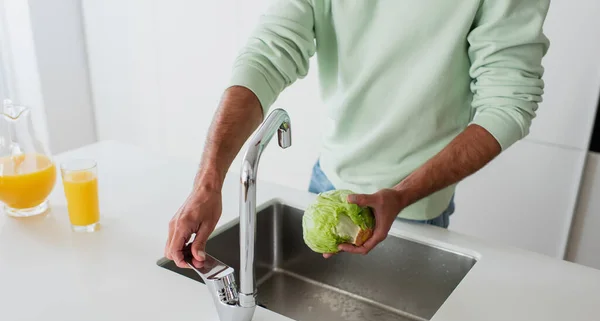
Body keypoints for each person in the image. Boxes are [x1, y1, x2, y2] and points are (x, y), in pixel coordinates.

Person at [165, 0, 550, 267]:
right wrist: (208, 183)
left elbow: (508, 103)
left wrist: (401, 195)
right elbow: (267, 55)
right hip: (327, 183)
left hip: (416, 207)